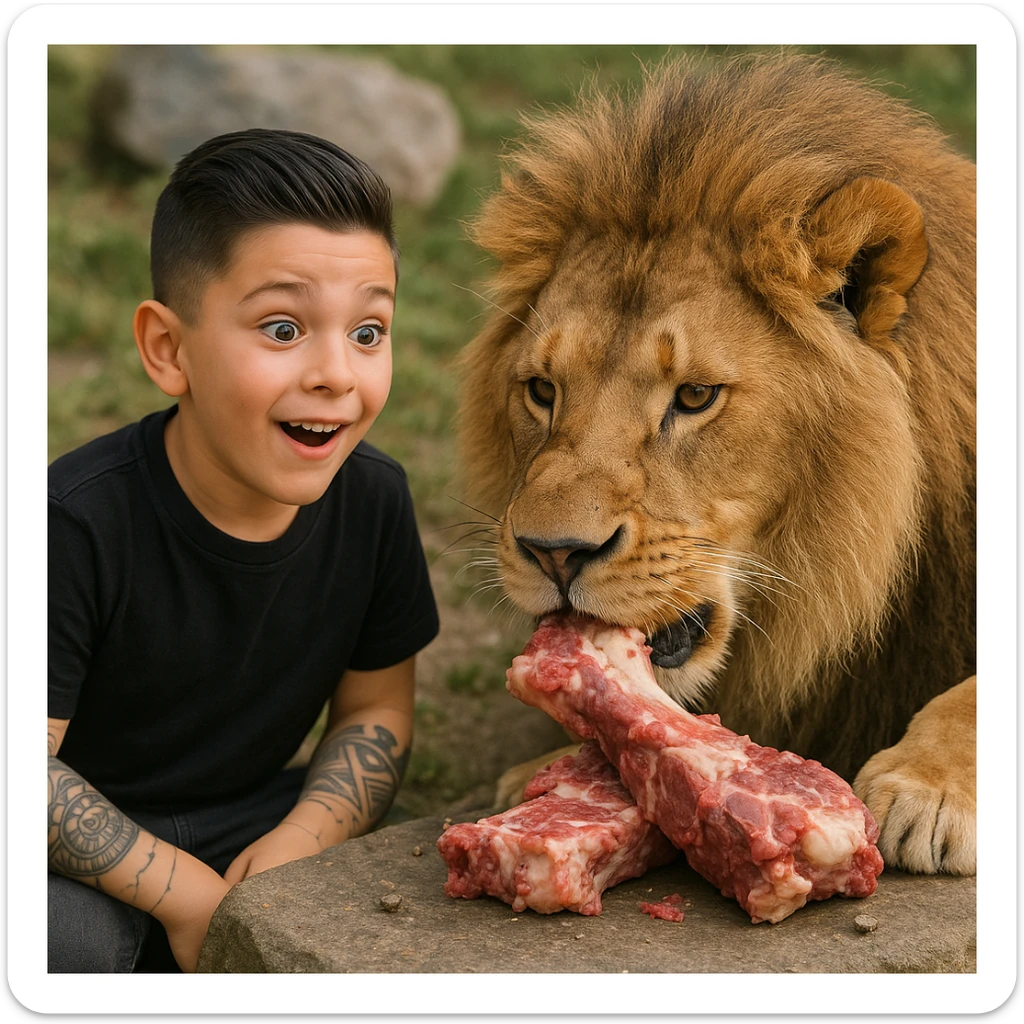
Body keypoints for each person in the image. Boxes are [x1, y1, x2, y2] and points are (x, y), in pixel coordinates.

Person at [47, 128, 440, 973]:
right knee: (59, 943)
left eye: (369, 332)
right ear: (169, 349)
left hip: (256, 815)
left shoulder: (373, 499)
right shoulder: (73, 523)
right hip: (75, 842)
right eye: (283, 327)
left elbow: (376, 711)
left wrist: (301, 840)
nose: (337, 372)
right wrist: (186, 897)